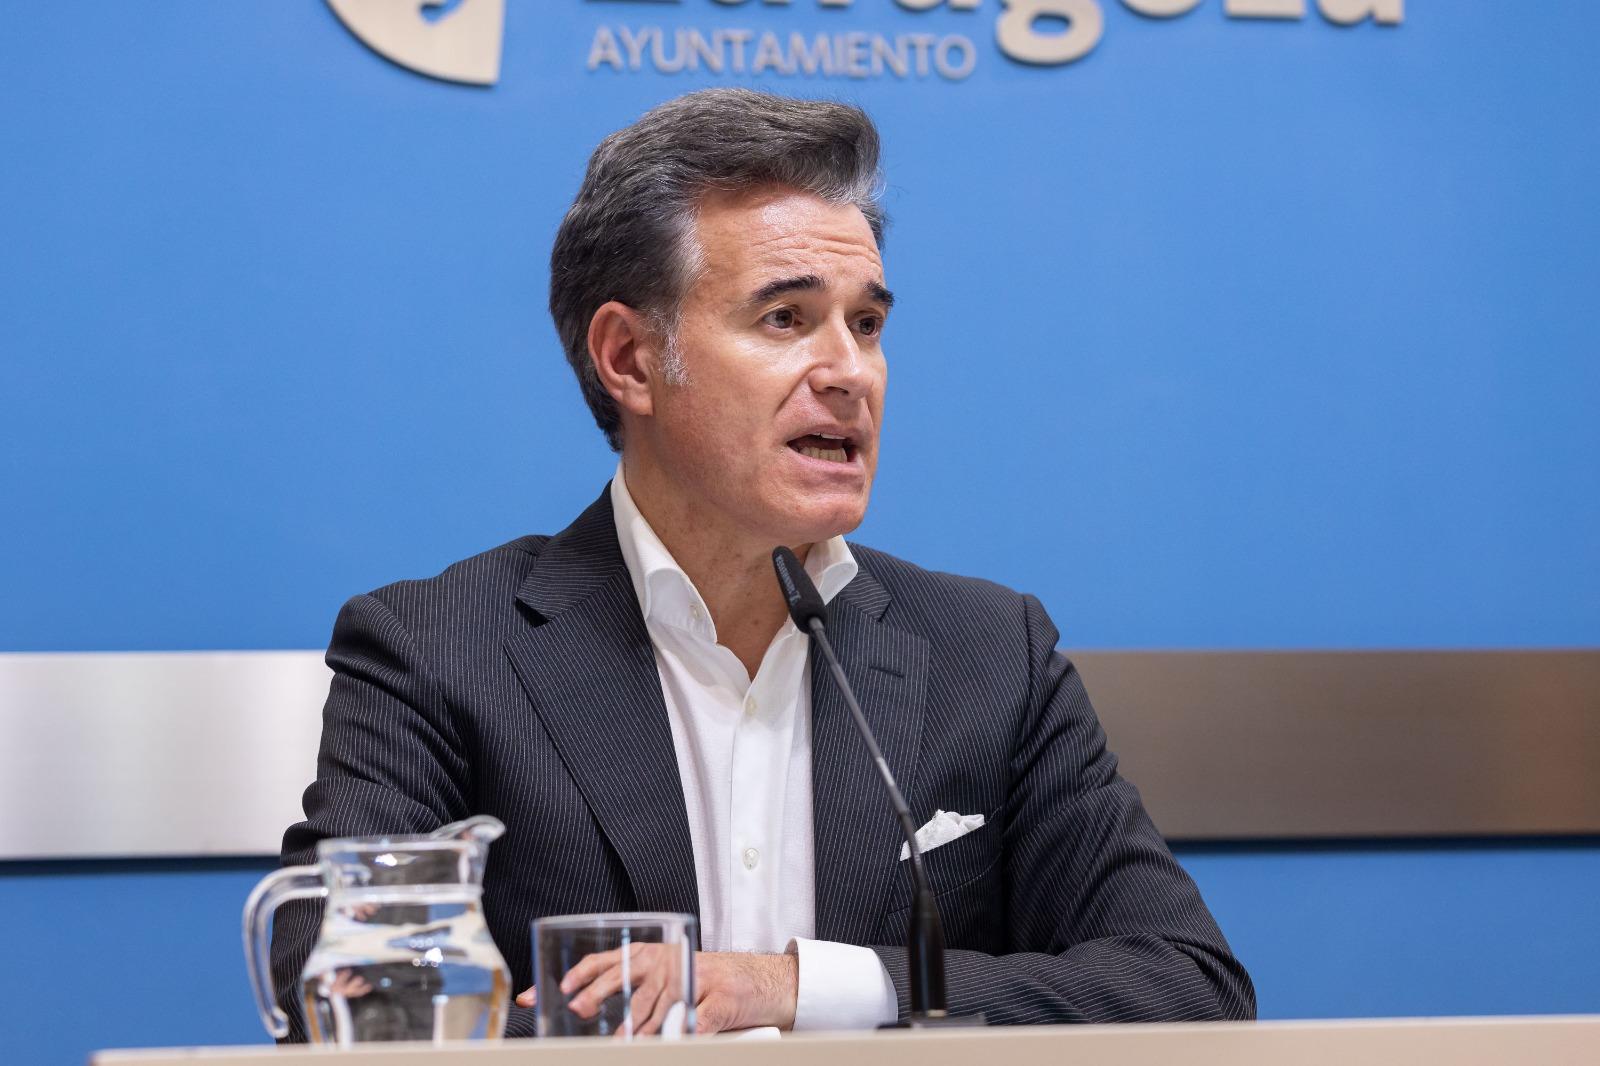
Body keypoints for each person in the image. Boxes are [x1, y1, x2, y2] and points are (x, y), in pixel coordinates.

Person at [272, 88, 1255, 1038]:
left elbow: (1188, 985)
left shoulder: (992, 655)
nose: (849, 373)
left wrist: (795, 986)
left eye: (866, 324)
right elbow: (346, 998)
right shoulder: (440, 651)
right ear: (629, 359)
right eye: (785, 318)